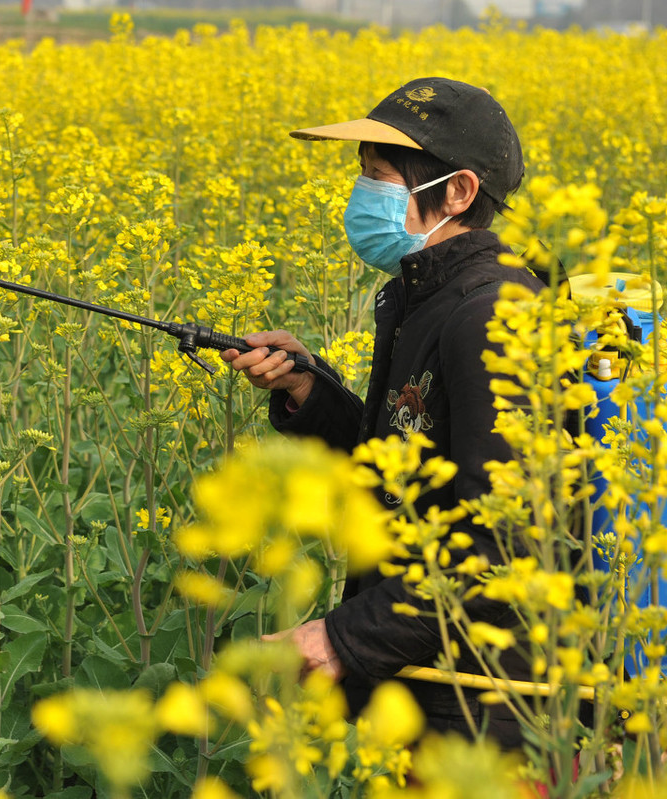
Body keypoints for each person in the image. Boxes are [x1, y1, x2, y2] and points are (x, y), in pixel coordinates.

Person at [223, 77, 544, 748]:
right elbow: (403, 465)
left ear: (457, 192)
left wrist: (343, 636)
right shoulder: (426, 296)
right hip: (415, 675)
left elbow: (506, 541)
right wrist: (311, 393)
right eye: (363, 176)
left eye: (380, 177)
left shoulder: (494, 313)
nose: (363, 196)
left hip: (482, 708)